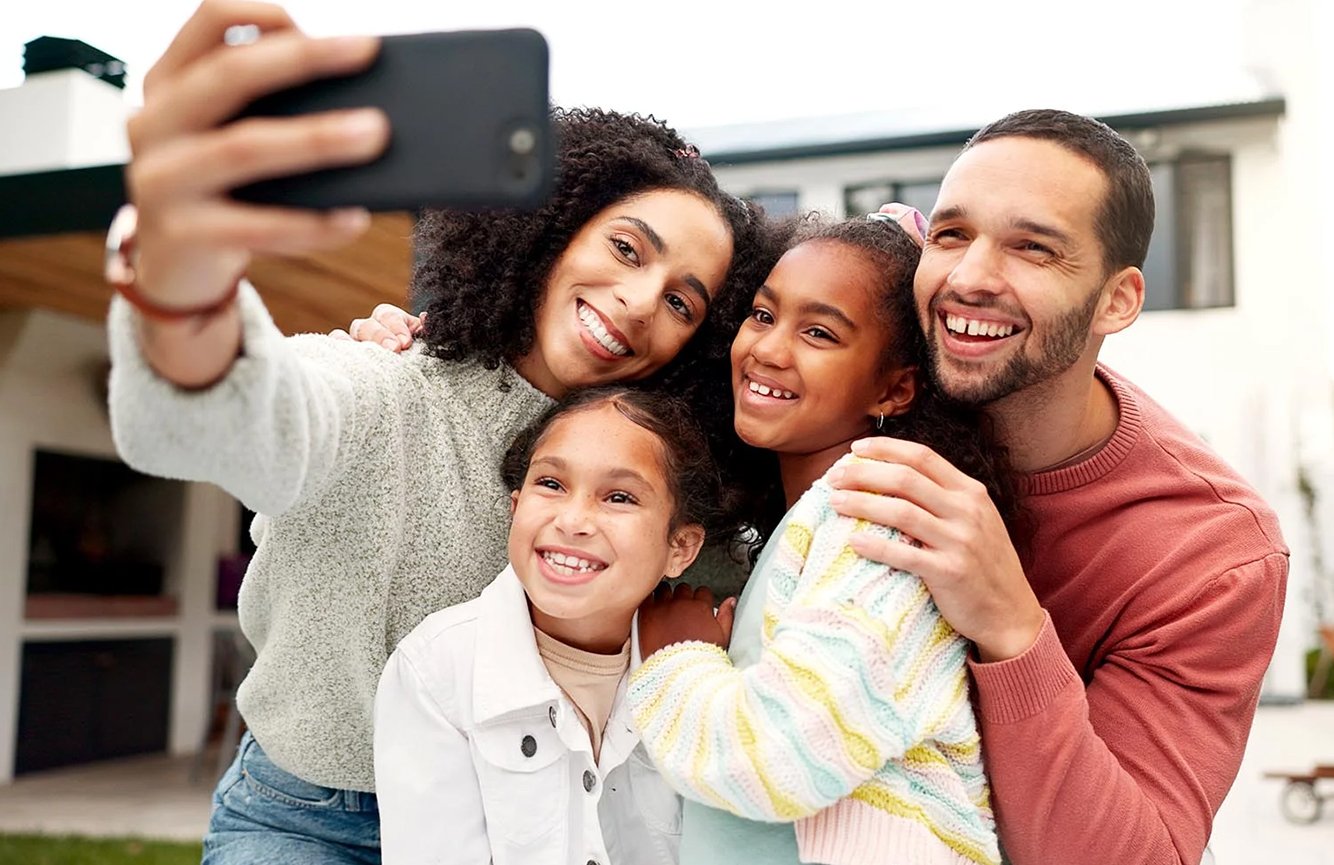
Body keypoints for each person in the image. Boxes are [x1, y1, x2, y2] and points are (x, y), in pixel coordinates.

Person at [103, 4, 776, 862]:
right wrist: (180, 274)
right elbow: (224, 417)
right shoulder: (385, 383)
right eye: (627, 248)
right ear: (550, 230)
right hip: (309, 816)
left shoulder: (664, 483)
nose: (642, 301)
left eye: (684, 300)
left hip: (523, 820)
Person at [825, 110, 1288, 864]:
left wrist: (1010, 624)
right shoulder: (863, 380)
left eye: (1032, 247)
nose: (969, 277)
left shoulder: (1215, 554)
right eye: (950, 235)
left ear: (1118, 300)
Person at [626, 213, 1017, 865]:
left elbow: (778, 756)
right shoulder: (819, 512)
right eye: (761, 315)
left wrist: (677, 656)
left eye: (818, 332)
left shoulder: (880, 519)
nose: (769, 349)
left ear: (896, 386)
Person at [374, 387, 735, 865]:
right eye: (551, 484)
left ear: (681, 548)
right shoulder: (436, 672)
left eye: (619, 497)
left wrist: (690, 673)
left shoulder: (699, 667)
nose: (574, 520)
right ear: (515, 506)